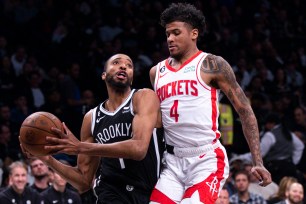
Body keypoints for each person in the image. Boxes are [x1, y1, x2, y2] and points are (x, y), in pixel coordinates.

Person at [149, 2, 271, 203]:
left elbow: (245, 110)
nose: (170, 38)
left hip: (205, 159)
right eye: (167, 34)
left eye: (176, 33)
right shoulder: (156, 72)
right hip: (171, 161)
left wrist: (258, 161)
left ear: (194, 33)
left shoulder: (212, 64)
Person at [21, 53, 164, 204]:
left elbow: (139, 148)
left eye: (129, 66)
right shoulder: (91, 118)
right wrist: (47, 159)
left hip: (148, 192)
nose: (123, 66)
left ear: (132, 77)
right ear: (103, 75)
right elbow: (83, 182)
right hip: (110, 192)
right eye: (116, 63)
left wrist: (80, 147)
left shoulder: (143, 97)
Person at [239, 112, 304, 184]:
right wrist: (293, 162)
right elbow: (300, 146)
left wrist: (241, 157)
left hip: (276, 169)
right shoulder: (288, 133)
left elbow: (259, 153)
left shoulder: (270, 135)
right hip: (290, 167)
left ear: (271, 123)